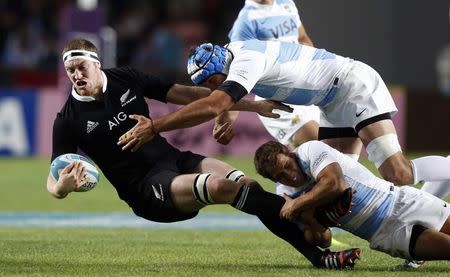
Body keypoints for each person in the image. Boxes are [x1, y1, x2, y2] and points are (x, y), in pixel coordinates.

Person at [46, 38, 360, 270]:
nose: (75, 75)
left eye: (80, 67)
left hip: (174, 160)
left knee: (247, 186)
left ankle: (319, 258)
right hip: (145, 190)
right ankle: (312, 213)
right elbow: (53, 180)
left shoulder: (124, 78)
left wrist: (251, 105)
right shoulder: (69, 119)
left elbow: (188, 95)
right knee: (222, 187)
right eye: (70, 70)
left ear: (96, 63)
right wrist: (62, 187)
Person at [119, 39, 450, 193]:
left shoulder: (245, 62)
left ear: (222, 69)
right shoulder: (235, 53)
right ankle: (430, 216)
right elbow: (211, 99)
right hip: (332, 101)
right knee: (343, 180)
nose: (211, 88)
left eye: (212, 81)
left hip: (353, 85)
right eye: (205, 84)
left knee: (398, 173)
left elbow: (213, 102)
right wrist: (239, 107)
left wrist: (155, 126)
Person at [254, 140, 450, 262]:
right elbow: (324, 240)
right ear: (272, 180)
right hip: (385, 235)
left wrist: (299, 205)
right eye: (280, 176)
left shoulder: (310, 150)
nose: (291, 176)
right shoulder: (286, 195)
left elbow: (335, 184)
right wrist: (310, 220)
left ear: (290, 152)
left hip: (402, 202)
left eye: (287, 166)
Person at [228, 0, 320, 197]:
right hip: (275, 97)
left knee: (322, 149)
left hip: (303, 85)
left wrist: (313, 69)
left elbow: (302, 38)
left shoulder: (286, 3)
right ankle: (295, 201)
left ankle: (293, 197)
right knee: (315, 142)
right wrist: (229, 114)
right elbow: (236, 72)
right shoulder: (246, 21)